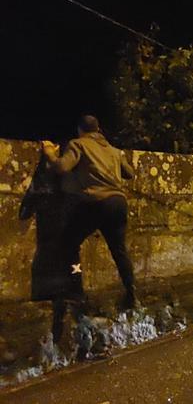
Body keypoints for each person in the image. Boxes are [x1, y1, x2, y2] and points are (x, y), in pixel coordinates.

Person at [41, 115, 138, 313]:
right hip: (118, 203)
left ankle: (76, 290)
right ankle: (131, 292)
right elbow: (129, 173)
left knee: (69, 242)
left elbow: (62, 167)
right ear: (98, 129)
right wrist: (119, 158)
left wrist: (50, 153)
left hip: (96, 202)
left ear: (80, 130)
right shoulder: (113, 150)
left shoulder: (79, 144)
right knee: (119, 250)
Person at [19, 149, 85, 344]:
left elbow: (24, 212)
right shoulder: (70, 183)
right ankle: (71, 330)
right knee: (74, 278)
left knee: (53, 289)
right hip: (67, 247)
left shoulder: (41, 184)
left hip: (48, 247)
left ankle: (57, 336)